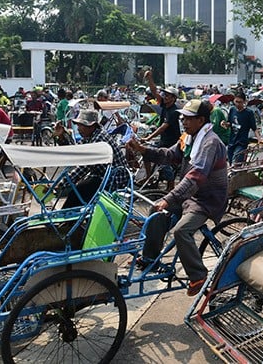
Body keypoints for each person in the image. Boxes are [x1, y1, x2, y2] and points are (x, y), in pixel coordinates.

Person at [126, 99, 227, 296]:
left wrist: (170, 198)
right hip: (189, 196)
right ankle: (149, 258)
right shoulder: (188, 138)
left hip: (206, 199)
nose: (183, 121)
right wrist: (142, 150)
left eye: (188, 118)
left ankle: (198, 276)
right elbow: (168, 155)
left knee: (181, 231)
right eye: (183, 117)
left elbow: (195, 177)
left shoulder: (210, 143)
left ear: (201, 120)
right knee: (155, 212)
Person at [54, 109, 130, 208]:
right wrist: (62, 136)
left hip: (115, 178)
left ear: (92, 126)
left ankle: (68, 222)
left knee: (78, 191)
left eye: (81, 125)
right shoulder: (90, 136)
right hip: (101, 174)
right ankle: (70, 219)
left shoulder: (99, 139)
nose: (79, 128)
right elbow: (76, 150)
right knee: (79, 188)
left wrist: (60, 184)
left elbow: (84, 167)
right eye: (78, 125)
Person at [141, 70, 182, 190]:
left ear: (173, 98)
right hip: (163, 141)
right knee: (146, 153)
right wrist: (150, 78)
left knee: (165, 164)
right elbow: (154, 91)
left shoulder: (174, 111)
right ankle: (149, 177)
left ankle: (170, 187)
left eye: (168, 96)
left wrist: (148, 138)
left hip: (172, 143)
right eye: (164, 95)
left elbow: (163, 127)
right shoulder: (165, 105)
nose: (165, 97)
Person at [223, 91, 257, 163]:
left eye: (240, 102)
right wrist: (225, 124)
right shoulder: (232, 110)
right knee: (230, 162)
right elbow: (230, 123)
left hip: (242, 143)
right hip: (232, 141)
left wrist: (260, 139)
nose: (238, 104)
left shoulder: (249, 113)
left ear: (244, 102)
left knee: (236, 162)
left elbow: (254, 128)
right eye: (236, 101)